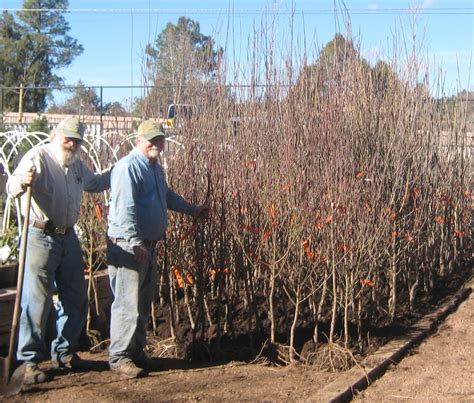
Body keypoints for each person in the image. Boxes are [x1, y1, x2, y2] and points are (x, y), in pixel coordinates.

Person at [6, 117, 112, 384]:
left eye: (77, 140)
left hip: (68, 237)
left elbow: (96, 184)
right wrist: (21, 181)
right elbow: (10, 188)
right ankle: (28, 361)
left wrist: (122, 168)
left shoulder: (76, 164)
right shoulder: (38, 157)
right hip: (39, 235)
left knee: (76, 298)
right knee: (37, 300)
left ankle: (64, 352)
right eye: (68, 138)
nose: (72, 144)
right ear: (55, 135)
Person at [107, 119, 208, 379]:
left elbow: (167, 196)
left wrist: (193, 209)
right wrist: (135, 242)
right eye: (152, 139)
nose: (157, 144)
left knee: (141, 304)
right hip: (129, 248)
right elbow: (124, 209)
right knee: (127, 304)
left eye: (160, 139)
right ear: (138, 140)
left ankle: (136, 352)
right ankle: (119, 357)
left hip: (147, 247)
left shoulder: (154, 168)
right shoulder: (128, 167)